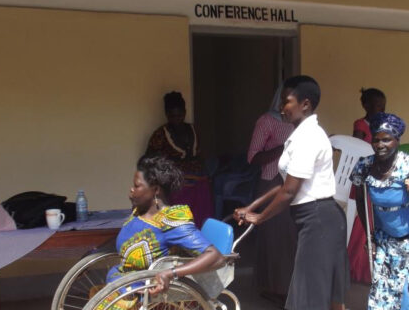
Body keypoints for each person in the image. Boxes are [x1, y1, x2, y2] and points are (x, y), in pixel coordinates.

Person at [235, 77, 348, 310]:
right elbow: (285, 182)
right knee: (318, 291)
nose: (280, 108)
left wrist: (259, 217)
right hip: (313, 218)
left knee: (312, 294)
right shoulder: (297, 136)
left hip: (318, 218)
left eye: (286, 102)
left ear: (305, 104)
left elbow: (289, 191)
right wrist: (251, 207)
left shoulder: (308, 137)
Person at [349, 112, 409, 310]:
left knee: (408, 298)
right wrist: (370, 236)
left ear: (397, 140)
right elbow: (360, 200)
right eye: (376, 140)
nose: (380, 145)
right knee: (382, 297)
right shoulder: (364, 166)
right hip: (384, 239)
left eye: (387, 140)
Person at [106, 155, 228, 302]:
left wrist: (170, 273)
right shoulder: (139, 211)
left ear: (156, 189)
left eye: (137, 186)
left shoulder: (171, 221)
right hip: (120, 287)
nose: (131, 190)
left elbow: (215, 257)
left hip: (144, 296)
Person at [245, 77, 311, 303]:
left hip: (294, 185)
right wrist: (285, 148)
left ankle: (290, 289)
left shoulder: (303, 126)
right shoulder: (267, 121)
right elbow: (253, 157)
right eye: (288, 99)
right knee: (275, 240)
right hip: (272, 183)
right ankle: (276, 289)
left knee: (291, 239)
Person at [145, 91, 213, 228]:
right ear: (166, 114)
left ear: (185, 112)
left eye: (179, 115)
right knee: (181, 221)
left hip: (199, 182)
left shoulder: (193, 129)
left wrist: (207, 173)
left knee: (202, 218)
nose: (176, 119)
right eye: (172, 115)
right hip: (178, 184)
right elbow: (148, 159)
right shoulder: (160, 134)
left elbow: (200, 154)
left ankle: (201, 245)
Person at [347, 87, 386, 284]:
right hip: (365, 177)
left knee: (377, 219)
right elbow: (358, 149)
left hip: (381, 177)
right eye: (376, 105)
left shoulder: (385, 125)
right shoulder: (361, 125)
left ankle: (375, 267)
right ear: (365, 105)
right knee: (365, 221)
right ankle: (360, 267)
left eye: (383, 105)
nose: (380, 109)